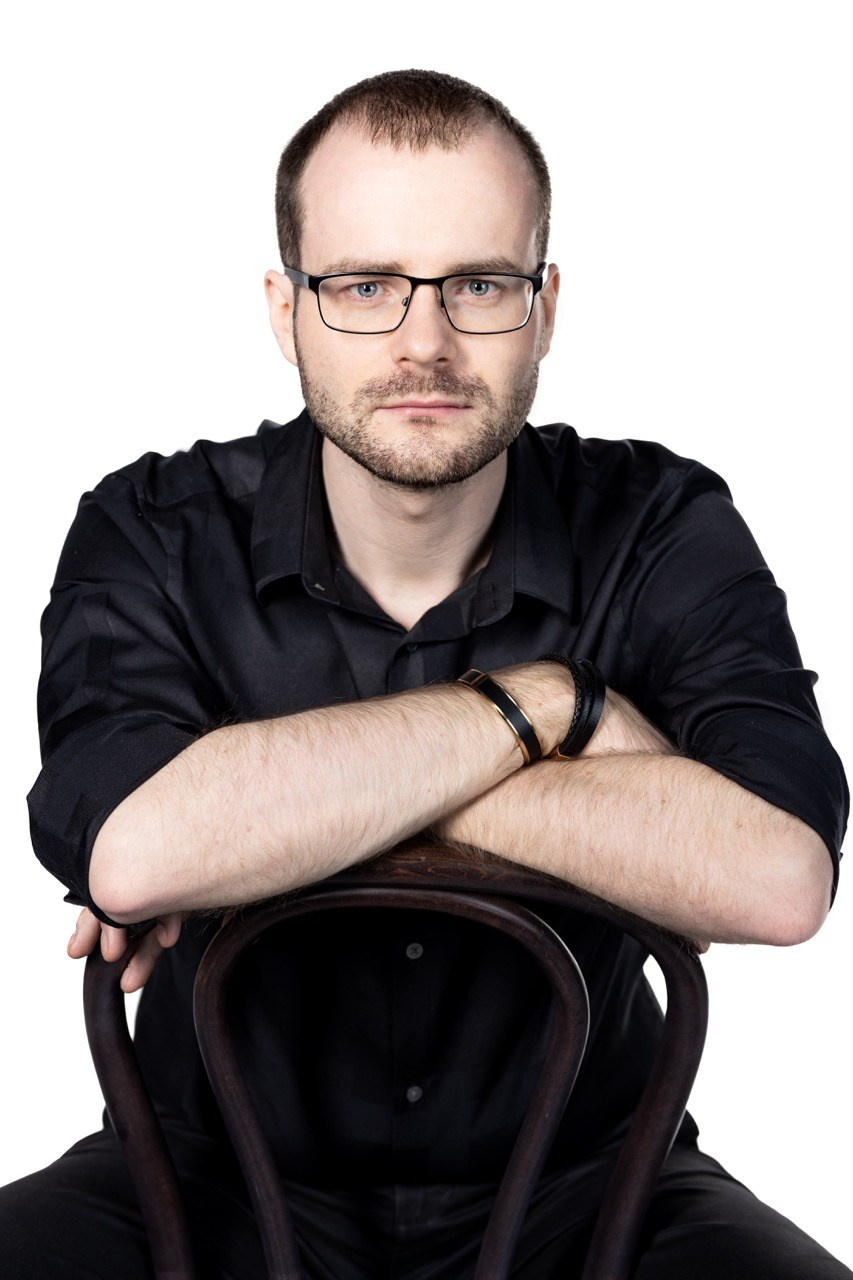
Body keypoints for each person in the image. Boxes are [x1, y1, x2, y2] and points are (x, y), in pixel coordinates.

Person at [3, 68, 848, 1278]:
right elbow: (134, 852)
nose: (424, 342)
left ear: (544, 308)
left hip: (595, 1191)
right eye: (363, 286)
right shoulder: (151, 527)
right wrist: (546, 708)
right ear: (285, 309)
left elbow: (777, 878)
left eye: (479, 285)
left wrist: (280, 812)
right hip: (195, 1184)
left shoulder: (660, 521)